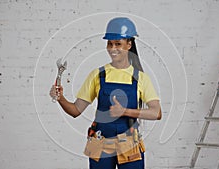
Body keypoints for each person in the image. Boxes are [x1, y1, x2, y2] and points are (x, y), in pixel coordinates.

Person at [50, 17, 162, 169]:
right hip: (100, 143)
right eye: (110, 43)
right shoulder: (98, 74)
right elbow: (75, 110)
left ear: (129, 44)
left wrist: (124, 111)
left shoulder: (140, 77)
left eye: (118, 44)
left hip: (129, 144)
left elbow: (156, 113)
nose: (113, 48)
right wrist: (60, 98)